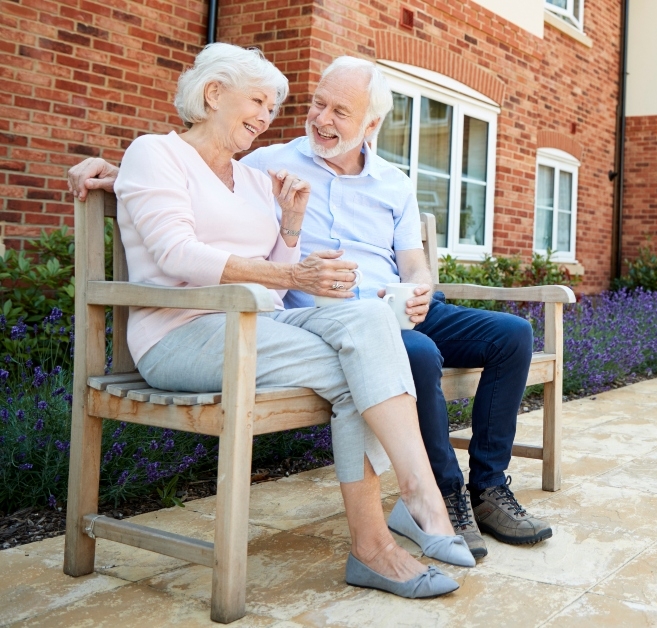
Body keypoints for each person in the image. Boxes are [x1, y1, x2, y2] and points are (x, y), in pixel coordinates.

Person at [69, 57, 553, 559]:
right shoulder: (268, 161)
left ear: (370, 125)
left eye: (339, 111)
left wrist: (419, 287)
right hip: (299, 317)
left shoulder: (380, 181)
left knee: (512, 334)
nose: (321, 119)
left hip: (386, 306)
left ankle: (485, 490)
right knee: (412, 354)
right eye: (316, 104)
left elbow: (409, 260)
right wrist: (119, 172)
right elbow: (189, 177)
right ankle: (439, 497)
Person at [105, 42, 468, 599]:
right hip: (180, 334)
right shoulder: (156, 153)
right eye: (258, 102)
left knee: (370, 322)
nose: (266, 118)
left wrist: (291, 231)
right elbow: (177, 253)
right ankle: (393, 529)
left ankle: (411, 505)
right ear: (212, 94)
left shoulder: (253, 179)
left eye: (273, 109)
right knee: (362, 368)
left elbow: (273, 279)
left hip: (256, 328)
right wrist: (295, 276)